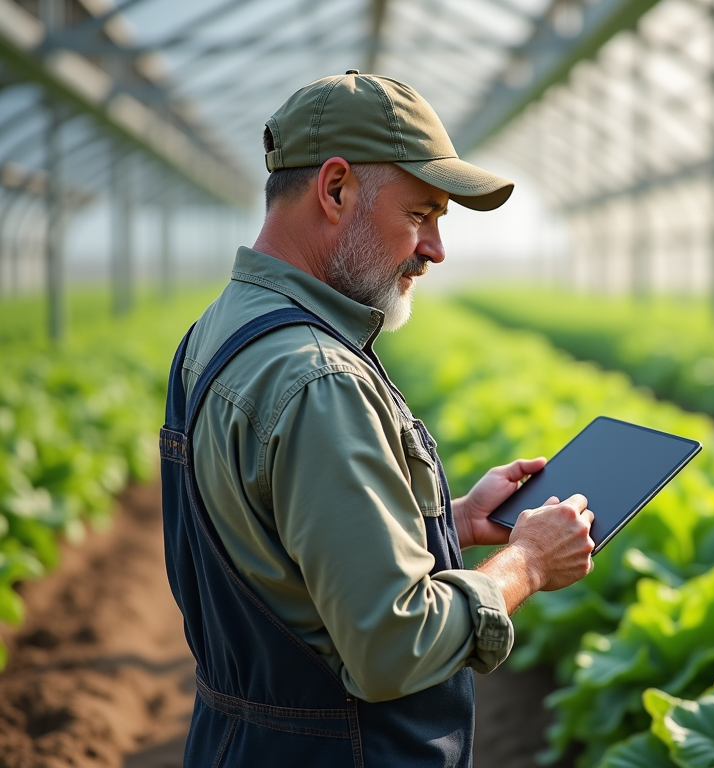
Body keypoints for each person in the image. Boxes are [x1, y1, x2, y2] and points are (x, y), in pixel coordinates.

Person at [159, 72, 595, 768]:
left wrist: (451, 525)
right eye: (421, 214)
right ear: (336, 190)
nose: (435, 250)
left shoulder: (220, 330)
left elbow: (286, 553)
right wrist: (526, 565)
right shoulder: (317, 377)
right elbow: (395, 647)